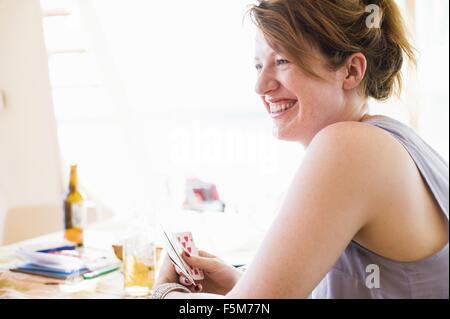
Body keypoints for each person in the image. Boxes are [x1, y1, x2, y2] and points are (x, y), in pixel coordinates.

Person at [152, 0, 449, 299]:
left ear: (351, 71)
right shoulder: (388, 141)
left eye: (282, 61)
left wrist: (165, 292)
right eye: (258, 65)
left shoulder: (349, 148)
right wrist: (240, 283)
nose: (260, 85)